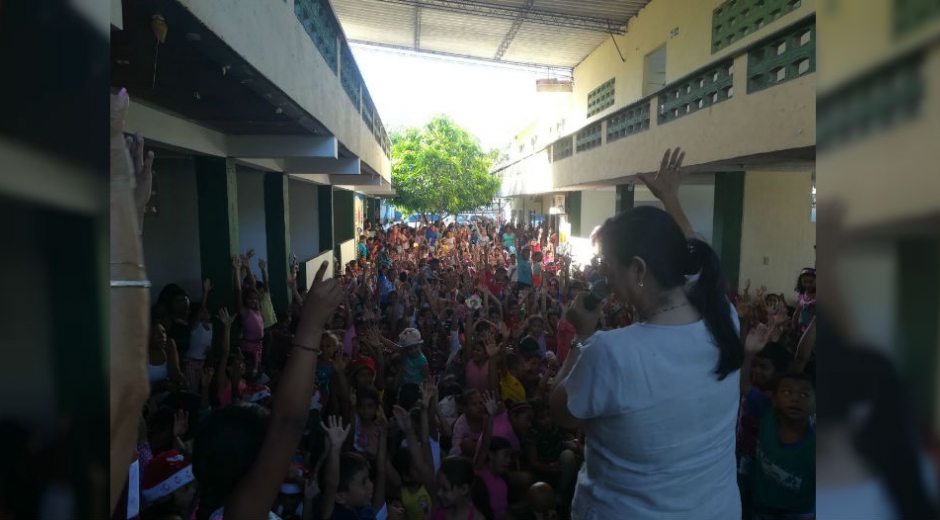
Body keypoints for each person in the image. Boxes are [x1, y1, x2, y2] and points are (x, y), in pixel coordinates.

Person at [550, 148, 743, 519]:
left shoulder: (611, 352)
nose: (603, 279)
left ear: (638, 269)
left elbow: (561, 412)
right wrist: (671, 199)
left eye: (608, 266)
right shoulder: (723, 318)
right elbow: (695, 260)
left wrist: (581, 337)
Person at [751, 372, 816, 520]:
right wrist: (749, 353)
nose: (795, 399)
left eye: (804, 395)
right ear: (773, 399)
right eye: (787, 392)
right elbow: (744, 386)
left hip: (800, 513)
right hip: (761, 508)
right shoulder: (766, 414)